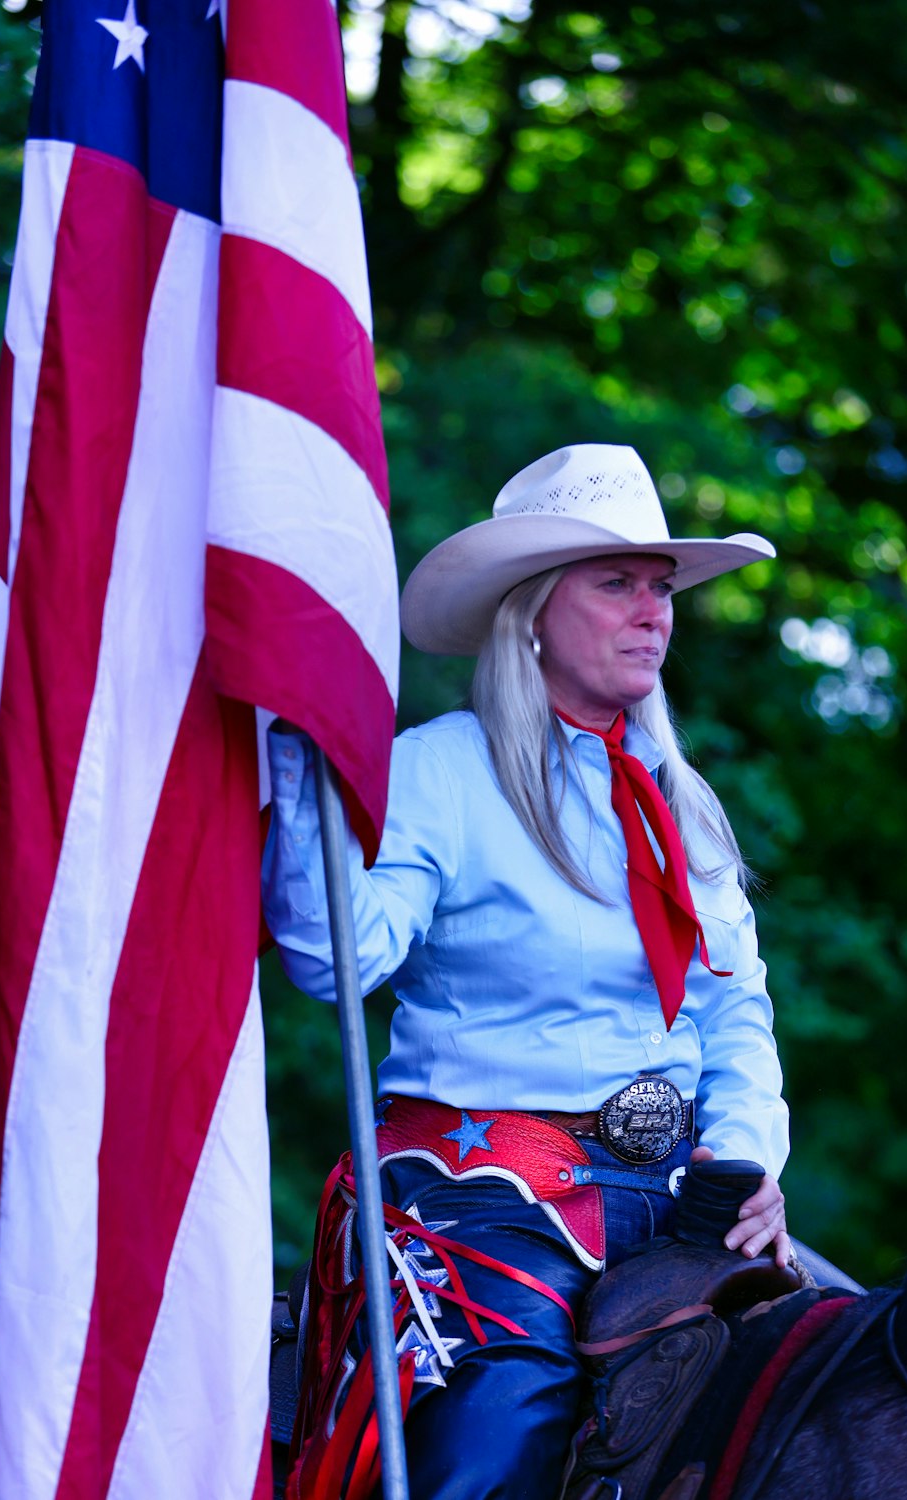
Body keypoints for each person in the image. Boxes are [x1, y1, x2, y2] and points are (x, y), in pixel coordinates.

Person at [263, 444, 790, 1500]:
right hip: (485, 1204)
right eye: (616, 584)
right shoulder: (443, 768)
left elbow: (734, 1013)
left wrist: (746, 1162)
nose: (655, 612)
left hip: (682, 1200)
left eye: (661, 586)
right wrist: (294, 784)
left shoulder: (678, 798)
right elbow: (340, 961)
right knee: (501, 1429)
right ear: (533, 610)